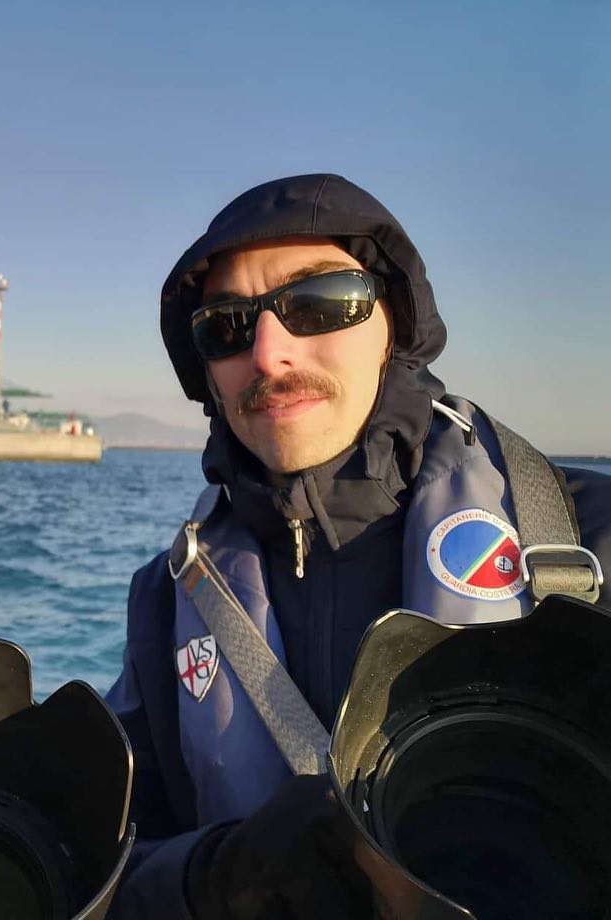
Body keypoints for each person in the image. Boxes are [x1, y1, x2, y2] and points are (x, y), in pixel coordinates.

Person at [105, 174, 611, 918]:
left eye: (318, 303)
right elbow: (99, 867)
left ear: (394, 322)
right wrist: (211, 875)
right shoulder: (164, 599)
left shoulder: (585, 534)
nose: (269, 353)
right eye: (225, 327)